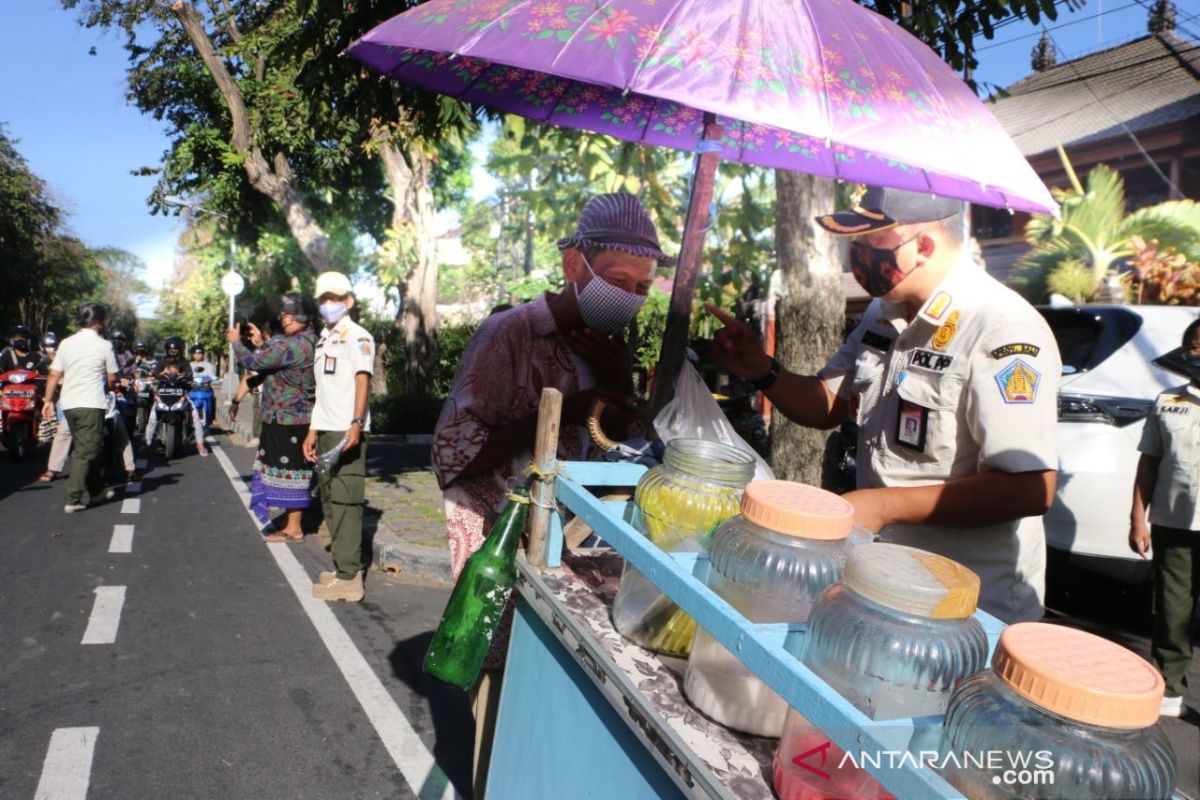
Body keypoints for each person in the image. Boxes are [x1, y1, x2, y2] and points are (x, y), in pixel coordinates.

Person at [708, 185, 1061, 624]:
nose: (857, 255)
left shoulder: (1001, 327)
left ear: (923, 246)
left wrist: (881, 505)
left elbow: (1031, 487)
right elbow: (829, 403)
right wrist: (761, 369)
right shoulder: (883, 312)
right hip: (886, 583)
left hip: (968, 607)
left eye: (871, 242)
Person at [431, 192, 662, 798]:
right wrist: (562, 414)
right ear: (572, 267)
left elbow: (618, 452)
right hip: (499, 542)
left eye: (643, 286)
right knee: (501, 698)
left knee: (555, 695)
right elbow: (452, 454)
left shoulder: (609, 347)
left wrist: (617, 389)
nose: (632, 298)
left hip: (571, 547)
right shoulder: (509, 335)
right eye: (619, 281)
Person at [1129, 318, 1200, 718]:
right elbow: (1148, 464)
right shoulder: (1168, 401)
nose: (1198, 352)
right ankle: (1169, 686)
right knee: (1172, 608)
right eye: (1194, 344)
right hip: (1174, 520)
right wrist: (1138, 518)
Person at [303, 271, 374, 602]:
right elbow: (323, 391)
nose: (329, 304)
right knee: (330, 499)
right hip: (327, 429)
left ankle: (350, 578)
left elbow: (363, 380)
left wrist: (356, 423)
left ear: (349, 301)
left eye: (335, 298)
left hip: (346, 429)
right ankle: (344, 568)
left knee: (346, 500)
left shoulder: (357, 336)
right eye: (323, 299)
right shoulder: (325, 339)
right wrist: (312, 430)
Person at [227, 294, 316, 541]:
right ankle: (290, 525)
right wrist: (260, 342)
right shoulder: (301, 342)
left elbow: (255, 361)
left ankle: (294, 528)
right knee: (284, 470)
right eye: (283, 315)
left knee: (292, 472)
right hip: (286, 417)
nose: (284, 319)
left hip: (290, 418)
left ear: (302, 316)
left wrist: (236, 342)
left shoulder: (293, 344)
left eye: (288, 314)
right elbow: (270, 363)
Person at [41, 304, 119, 513]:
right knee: (86, 451)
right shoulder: (104, 345)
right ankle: (73, 498)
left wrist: (48, 401)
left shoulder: (66, 343)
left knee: (89, 446)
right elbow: (112, 377)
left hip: (68, 404)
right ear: (99, 322)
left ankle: (96, 491)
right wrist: (110, 386)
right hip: (91, 404)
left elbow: (54, 374)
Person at [143, 355, 208, 457]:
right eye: (170, 370)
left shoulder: (183, 379)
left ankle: (200, 445)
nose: (173, 372)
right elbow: (152, 384)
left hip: (181, 401)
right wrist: (151, 382)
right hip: (163, 402)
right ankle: (147, 444)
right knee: (152, 419)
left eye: (176, 370)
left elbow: (192, 384)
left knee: (196, 418)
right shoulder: (161, 378)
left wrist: (195, 384)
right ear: (166, 369)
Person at [188, 345, 219, 427]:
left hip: (206, 388)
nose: (198, 355)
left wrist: (209, 379)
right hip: (192, 389)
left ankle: (213, 417)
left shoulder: (209, 365)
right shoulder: (188, 365)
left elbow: (212, 376)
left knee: (213, 398)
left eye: (200, 353)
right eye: (196, 353)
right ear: (192, 354)